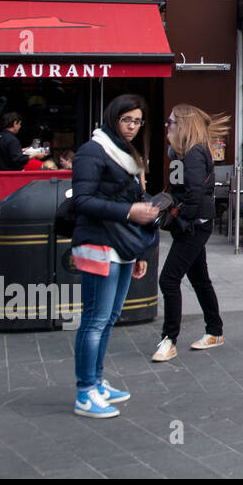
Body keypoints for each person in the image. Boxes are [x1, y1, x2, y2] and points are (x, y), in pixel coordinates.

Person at [69, 94, 161, 418]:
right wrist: (129, 212)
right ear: (113, 118)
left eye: (137, 121)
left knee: (107, 320)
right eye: (127, 120)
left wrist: (140, 251)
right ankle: (85, 392)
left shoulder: (129, 155)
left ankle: (96, 381)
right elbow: (82, 200)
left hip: (122, 247)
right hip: (97, 243)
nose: (133, 127)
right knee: (94, 321)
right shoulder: (92, 151)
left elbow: (133, 202)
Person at [152, 105, 228, 362]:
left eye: (171, 122)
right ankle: (214, 332)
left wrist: (182, 222)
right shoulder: (186, 151)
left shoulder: (193, 153)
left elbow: (195, 192)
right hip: (195, 222)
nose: (168, 126)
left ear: (183, 124)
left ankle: (169, 339)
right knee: (199, 279)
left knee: (168, 280)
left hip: (194, 225)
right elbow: (182, 189)